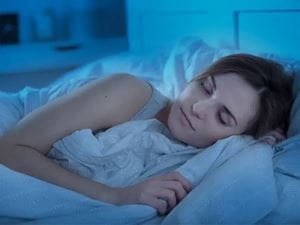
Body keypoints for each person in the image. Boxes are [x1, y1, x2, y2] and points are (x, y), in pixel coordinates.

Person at [0, 53, 293, 215]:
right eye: (206, 86)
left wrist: (263, 140)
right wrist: (116, 197)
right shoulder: (128, 92)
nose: (198, 108)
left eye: (223, 116)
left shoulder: (212, 153)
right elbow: (10, 148)